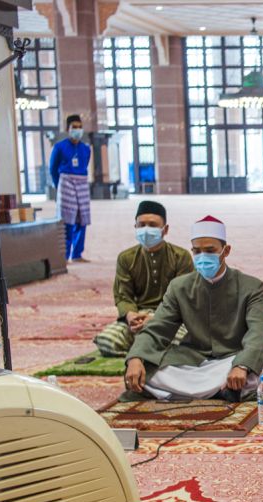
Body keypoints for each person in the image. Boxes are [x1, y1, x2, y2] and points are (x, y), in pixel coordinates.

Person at [124, 216, 263, 401]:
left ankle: (190, 391)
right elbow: (158, 328)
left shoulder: (251, 286)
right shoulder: (179, 287)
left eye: (210, 250)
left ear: (226, 250)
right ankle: (221, 391)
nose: (202, 257)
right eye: (197, 251)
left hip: (233, 357)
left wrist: (242, 365)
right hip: (192, 359)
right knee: (144, 370)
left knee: (255, 369)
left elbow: (258, 332)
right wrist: (136, 357)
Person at [93, 201, 194, 357]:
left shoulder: (180, 257)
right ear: (135, 228)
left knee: (183, 341)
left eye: (152, 225)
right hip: (138, 318)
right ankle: (148, 346)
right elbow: (123, 295)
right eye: (142, 225)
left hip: (170, 319)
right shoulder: (126, 258)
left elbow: (182, 298)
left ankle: (142, 346)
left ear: (165, 230)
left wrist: (155, 319)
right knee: (106, 341)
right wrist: (131, 315)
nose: (146, 230)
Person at [50, 114, 92, 262]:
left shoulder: (86, 149)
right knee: (67, 220)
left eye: (80, 127)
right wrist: (60, 186)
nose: (77, 130)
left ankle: (77, 254)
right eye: (74, 127)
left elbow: (85, 165)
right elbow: (53, 168)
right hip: (66, 184)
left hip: (82, 184)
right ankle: (65, 255)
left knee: (83, 219)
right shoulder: (59, 147)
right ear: (67, 129)